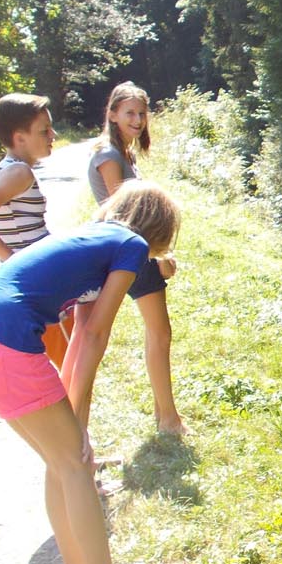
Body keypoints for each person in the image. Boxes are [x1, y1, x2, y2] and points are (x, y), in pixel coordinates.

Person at [0, 180, 181, 564]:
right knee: (76, 464)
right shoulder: (131, 245)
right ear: (158, 227)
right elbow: (94, 334)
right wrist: (79, 419)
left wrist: (77, 416)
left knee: (62, 465)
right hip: (6, 348)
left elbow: (79, 334)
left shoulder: (90, 240)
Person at [85, 82, 185, 434]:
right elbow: (122, 215)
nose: (138, 120)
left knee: (159, 333)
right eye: (129, 113)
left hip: (137, 248)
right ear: (112, 114)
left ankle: (163, 413)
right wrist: (159, 256)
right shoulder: (109, 156)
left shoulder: (124, 153)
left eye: (142, 113)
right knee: (160, 333)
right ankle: (169, 419)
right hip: (131, 251)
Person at [0, 94, 78, 365]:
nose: (53, 135)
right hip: (40, 284)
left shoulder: (10, 170)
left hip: (40, 281)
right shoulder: (18, 172)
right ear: (19, 137)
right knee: (71, 366)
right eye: (44, 131)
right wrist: (12, 260)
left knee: (66, 363)